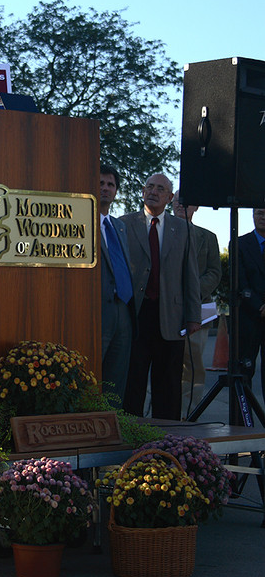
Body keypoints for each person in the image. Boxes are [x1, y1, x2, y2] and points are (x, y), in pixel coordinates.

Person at [120, 173, 201, 420]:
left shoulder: (183, 229)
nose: (153, 192)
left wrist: (193, 316)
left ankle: (168, 439)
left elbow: (191, 275)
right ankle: (131, 435)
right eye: (149, 187)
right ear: (143, 192)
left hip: (171, 316)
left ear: (169, 197)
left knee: (168, 383)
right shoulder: (123, 224)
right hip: (135, 315)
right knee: (133, 380)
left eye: (160, 188)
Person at [172, 191, 222, 416]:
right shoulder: (160, 232)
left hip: (200, 310)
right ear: (171, 204)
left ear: (196, 208)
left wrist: (191, 293)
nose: (182, 205)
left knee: (193, 367)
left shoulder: (208, 237)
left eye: (187, 202)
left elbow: (214, 272)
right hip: (165, 310)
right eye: (177, 201)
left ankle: (189, 414)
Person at [99, 164, 135, 402]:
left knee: (116, 380)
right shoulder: (79, 221)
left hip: (124, 309)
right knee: (92, 375)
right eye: (100, 183)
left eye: (110, 185)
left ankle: (112, 425)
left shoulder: (119, 226)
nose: (105, 188)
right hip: (98, 311)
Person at [238, 208, 265, 401]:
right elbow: (240, 282)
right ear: (253, 215)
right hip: (248, 318)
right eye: (260, 213)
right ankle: (240, 426)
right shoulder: (240, 244)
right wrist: (259, 306)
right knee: (244, 373)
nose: (263, 217)